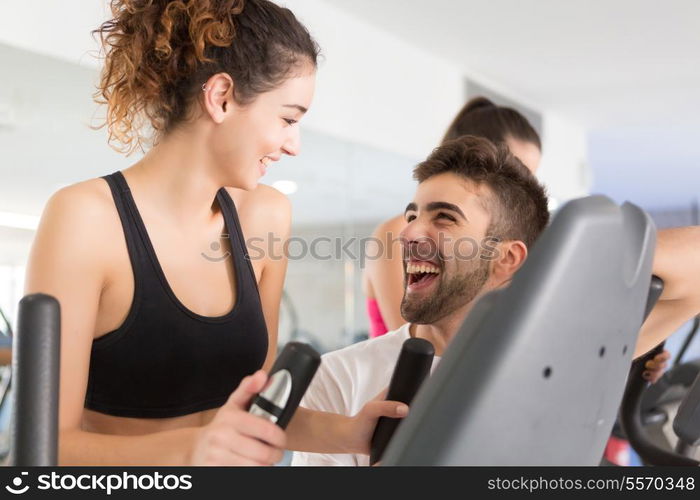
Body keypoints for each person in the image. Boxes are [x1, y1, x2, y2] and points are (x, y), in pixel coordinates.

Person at [24, 0, 405, 466]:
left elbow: (255, 413)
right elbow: (41, 449)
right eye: (288, 118)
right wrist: (193, 450)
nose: (294, 144)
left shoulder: (267, 216)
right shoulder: (83, 219)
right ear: (221, 96)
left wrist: (350, 433)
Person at [292, 136, 700, 466]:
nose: (409, 233)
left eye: (444, 218)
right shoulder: (339, 376)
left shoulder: (561, 355)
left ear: (508, 259)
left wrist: (556, 266)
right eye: (412, 215)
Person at [363, 97, 542, 339]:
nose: (521, 183)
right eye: (514, 166)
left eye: (529, 174)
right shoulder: (396, 233)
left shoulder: (504, 248)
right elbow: (419, 344)